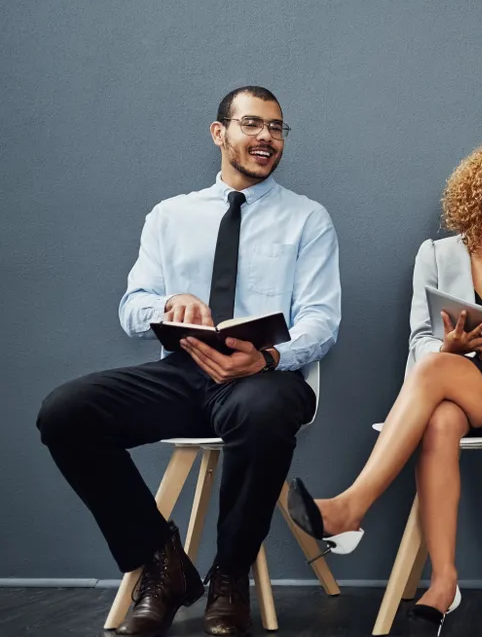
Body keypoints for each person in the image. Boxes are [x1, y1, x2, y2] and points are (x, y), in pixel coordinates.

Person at [36, 85, 341, 637]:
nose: (267, 138)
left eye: (276, 128)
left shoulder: (308, 219)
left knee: (263, 410)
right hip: (183, 373)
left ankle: (230, 575)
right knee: (65, 412)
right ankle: (162, 562)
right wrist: (166, 304)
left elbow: (321, 320)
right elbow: (132, 307)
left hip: (267, 377)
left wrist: (267, 355)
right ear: (219, 133)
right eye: (253, 125)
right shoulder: (170, 216)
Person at [287, 139, 482, 636]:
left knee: (436, 374)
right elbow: (419, 340)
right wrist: (451, 351)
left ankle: (351, 508)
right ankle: (443, 583)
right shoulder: (435, 255)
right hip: (450, 386)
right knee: (441, 417)